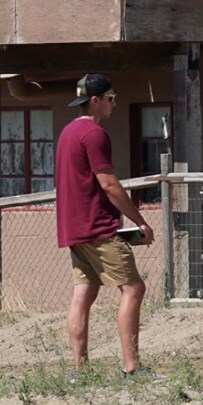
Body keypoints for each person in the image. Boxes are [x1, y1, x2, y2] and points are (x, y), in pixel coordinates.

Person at [55, 73, 155, 379]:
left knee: (83, 294)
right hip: (98, 227)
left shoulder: (67, 133)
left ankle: (79, 370)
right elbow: (109, 184)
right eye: (111, 99)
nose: (114, 104)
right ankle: (131, 368)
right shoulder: (94, 134)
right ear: (95, 100)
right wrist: (140, 221)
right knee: (134, 287)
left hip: (73, 228)